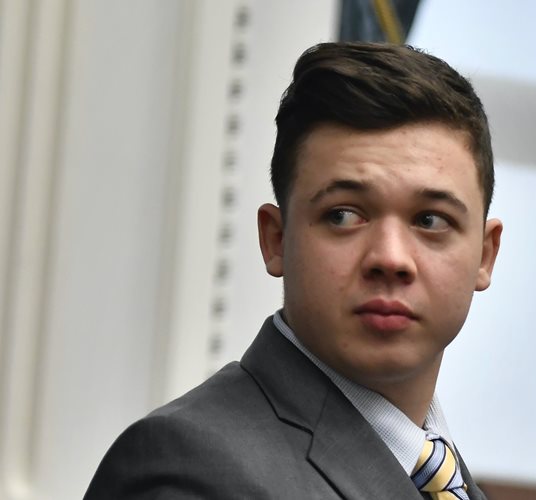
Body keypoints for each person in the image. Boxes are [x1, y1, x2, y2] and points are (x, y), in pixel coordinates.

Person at [84, 42, 502, 499]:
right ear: (276, 240)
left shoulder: (446, 478)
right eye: (343, 215)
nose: (390, 258)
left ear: (485, 255)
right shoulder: (187, 470)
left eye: (431, 220)